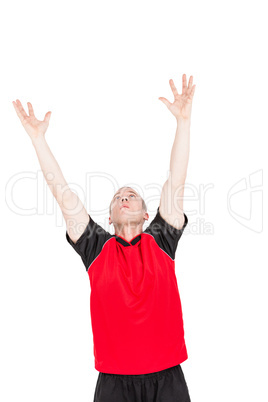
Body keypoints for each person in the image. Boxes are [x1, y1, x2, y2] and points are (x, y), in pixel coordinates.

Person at [12, 73, 196, 401]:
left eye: (132, 195)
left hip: (167, 378)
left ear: (145, 214)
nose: (125, 196)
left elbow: (176, 179)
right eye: (118, 196)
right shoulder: (96, 248)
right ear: (109, 218)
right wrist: (38, 140)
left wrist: (183, 122)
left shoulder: (162, 240)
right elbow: (63, 193)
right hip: (114, 383)